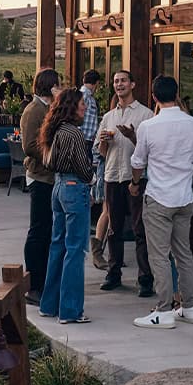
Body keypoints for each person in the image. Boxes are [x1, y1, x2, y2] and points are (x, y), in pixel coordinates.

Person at [131, 75, 193, 329]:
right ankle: (191, 306)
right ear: (177, 94)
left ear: (154, 97)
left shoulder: (149, 126)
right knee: (184, 254)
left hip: (160, 196)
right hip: (185, 196)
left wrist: (135, 183)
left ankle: (163, 310)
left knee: (159, 256)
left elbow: (138, 162)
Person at [97, 70, 154, 296]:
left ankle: (145, 279)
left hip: (136, 178)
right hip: (112, 175)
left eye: (123, 81)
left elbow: (150, 150)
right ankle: (113, 274)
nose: (119, 85)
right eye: (116, 81)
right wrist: (103, 142)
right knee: (114, 229)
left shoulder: (146, 114)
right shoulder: (108, 117)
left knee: (140, 229)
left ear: (133, 84)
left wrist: (133, 137)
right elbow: (101, 153)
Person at [39, 88, 93, 324]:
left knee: (57, 246)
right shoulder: (74, 133)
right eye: (82, 104)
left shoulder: (54, 129)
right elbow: (83, 167)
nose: (85, 108)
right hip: (74, 187)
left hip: (59, 186)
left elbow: (47, 161)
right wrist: (92, 176)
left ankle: (49, 305)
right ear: (73, 107)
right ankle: (70, 310)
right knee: (75, 249)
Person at [21, 69, 61, 305]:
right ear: (50, 85)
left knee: (47, 231)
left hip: (50, 177)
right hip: (40, 177)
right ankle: (34, 284)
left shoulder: (47, 109)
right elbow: (29, 145)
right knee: (38, 230)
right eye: (58, 84)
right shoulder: (33, 110)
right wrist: (54, 156)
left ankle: (44, 280)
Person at [78, 70, 105, 268]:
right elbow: (92, 128)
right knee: (87, 184)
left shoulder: (77, 96)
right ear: (96, 84)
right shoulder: (89, 99)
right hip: (87, 143)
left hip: (81, 142)